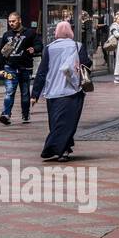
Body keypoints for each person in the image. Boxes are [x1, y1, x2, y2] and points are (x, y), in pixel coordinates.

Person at [30, 21, 87, 161]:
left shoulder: (49, 48)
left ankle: (62, 148)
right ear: (70, 31)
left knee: (56, 122)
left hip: (53, 91)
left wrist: (35, 94)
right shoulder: (77, 46)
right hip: (73, 90)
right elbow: (87, 63)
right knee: (69, 123)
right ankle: (59, 149)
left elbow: (42, 72)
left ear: (56, 32)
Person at [0, 12, 39, 125]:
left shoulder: (30, 33)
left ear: (19, 20)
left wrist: (34, 49)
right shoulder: (6, 35)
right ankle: (6, 115)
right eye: (10, 21)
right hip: (10, 68)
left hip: (25, 68)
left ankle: (25, 115)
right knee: (9, 92)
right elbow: (2, 53)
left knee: (25, 93)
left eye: (13, 21)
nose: (11, 23)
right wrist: (1, 68)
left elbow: (39, 45)